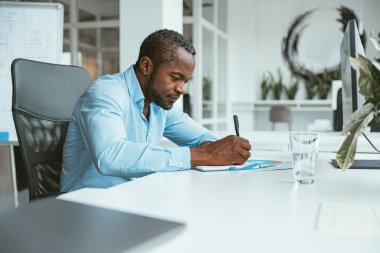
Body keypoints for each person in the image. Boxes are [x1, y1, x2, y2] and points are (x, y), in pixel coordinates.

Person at [61, 29, 251, 192]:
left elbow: (202, 138)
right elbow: (110, 155)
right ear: (146, 66)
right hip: (86, 204)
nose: (182, 88)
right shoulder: (107, 92)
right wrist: (206, 154)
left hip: (133, 197)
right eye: (175, 77)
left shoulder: (159, 105)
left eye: (185, 81)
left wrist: (216, 150)